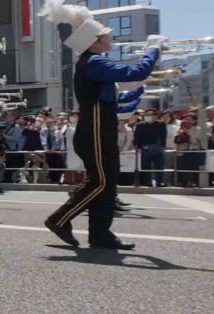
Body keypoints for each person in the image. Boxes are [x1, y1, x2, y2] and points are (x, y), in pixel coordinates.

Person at [42, 0, 163, 249]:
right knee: (101, 182)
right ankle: (59, 219)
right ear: (94, 43)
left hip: (99, 129)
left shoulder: (95, 63)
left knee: (107, 183)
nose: (110, 37)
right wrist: (153, 50)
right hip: (94, 131)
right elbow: (137, 71)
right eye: (105, 35)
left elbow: (114, 100)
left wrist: (139, 89)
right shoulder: (94, 62)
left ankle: (100, 233)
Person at [134, 109, 168, 187]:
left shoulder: (161, 124)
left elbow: (163, 136)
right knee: (146, 166)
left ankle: (159, 181)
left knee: (159, 166)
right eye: (146, 115)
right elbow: (137, 137)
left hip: (157, 147)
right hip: (144, 147)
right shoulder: (140, 125)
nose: (147, 117)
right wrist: (139, 147)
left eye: (149, 115)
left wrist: (163, 146)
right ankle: (147, 181)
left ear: (155, 116)